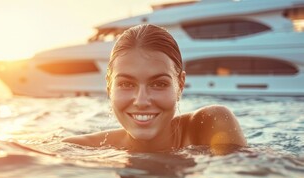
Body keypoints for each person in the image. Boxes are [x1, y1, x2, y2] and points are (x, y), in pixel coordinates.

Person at [63, 24, 246, 153]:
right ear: (109, 87)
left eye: (159, 84)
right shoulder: (76, 149)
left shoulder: (210, 125)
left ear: (180, 84)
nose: (141, 101)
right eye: (126, 84)